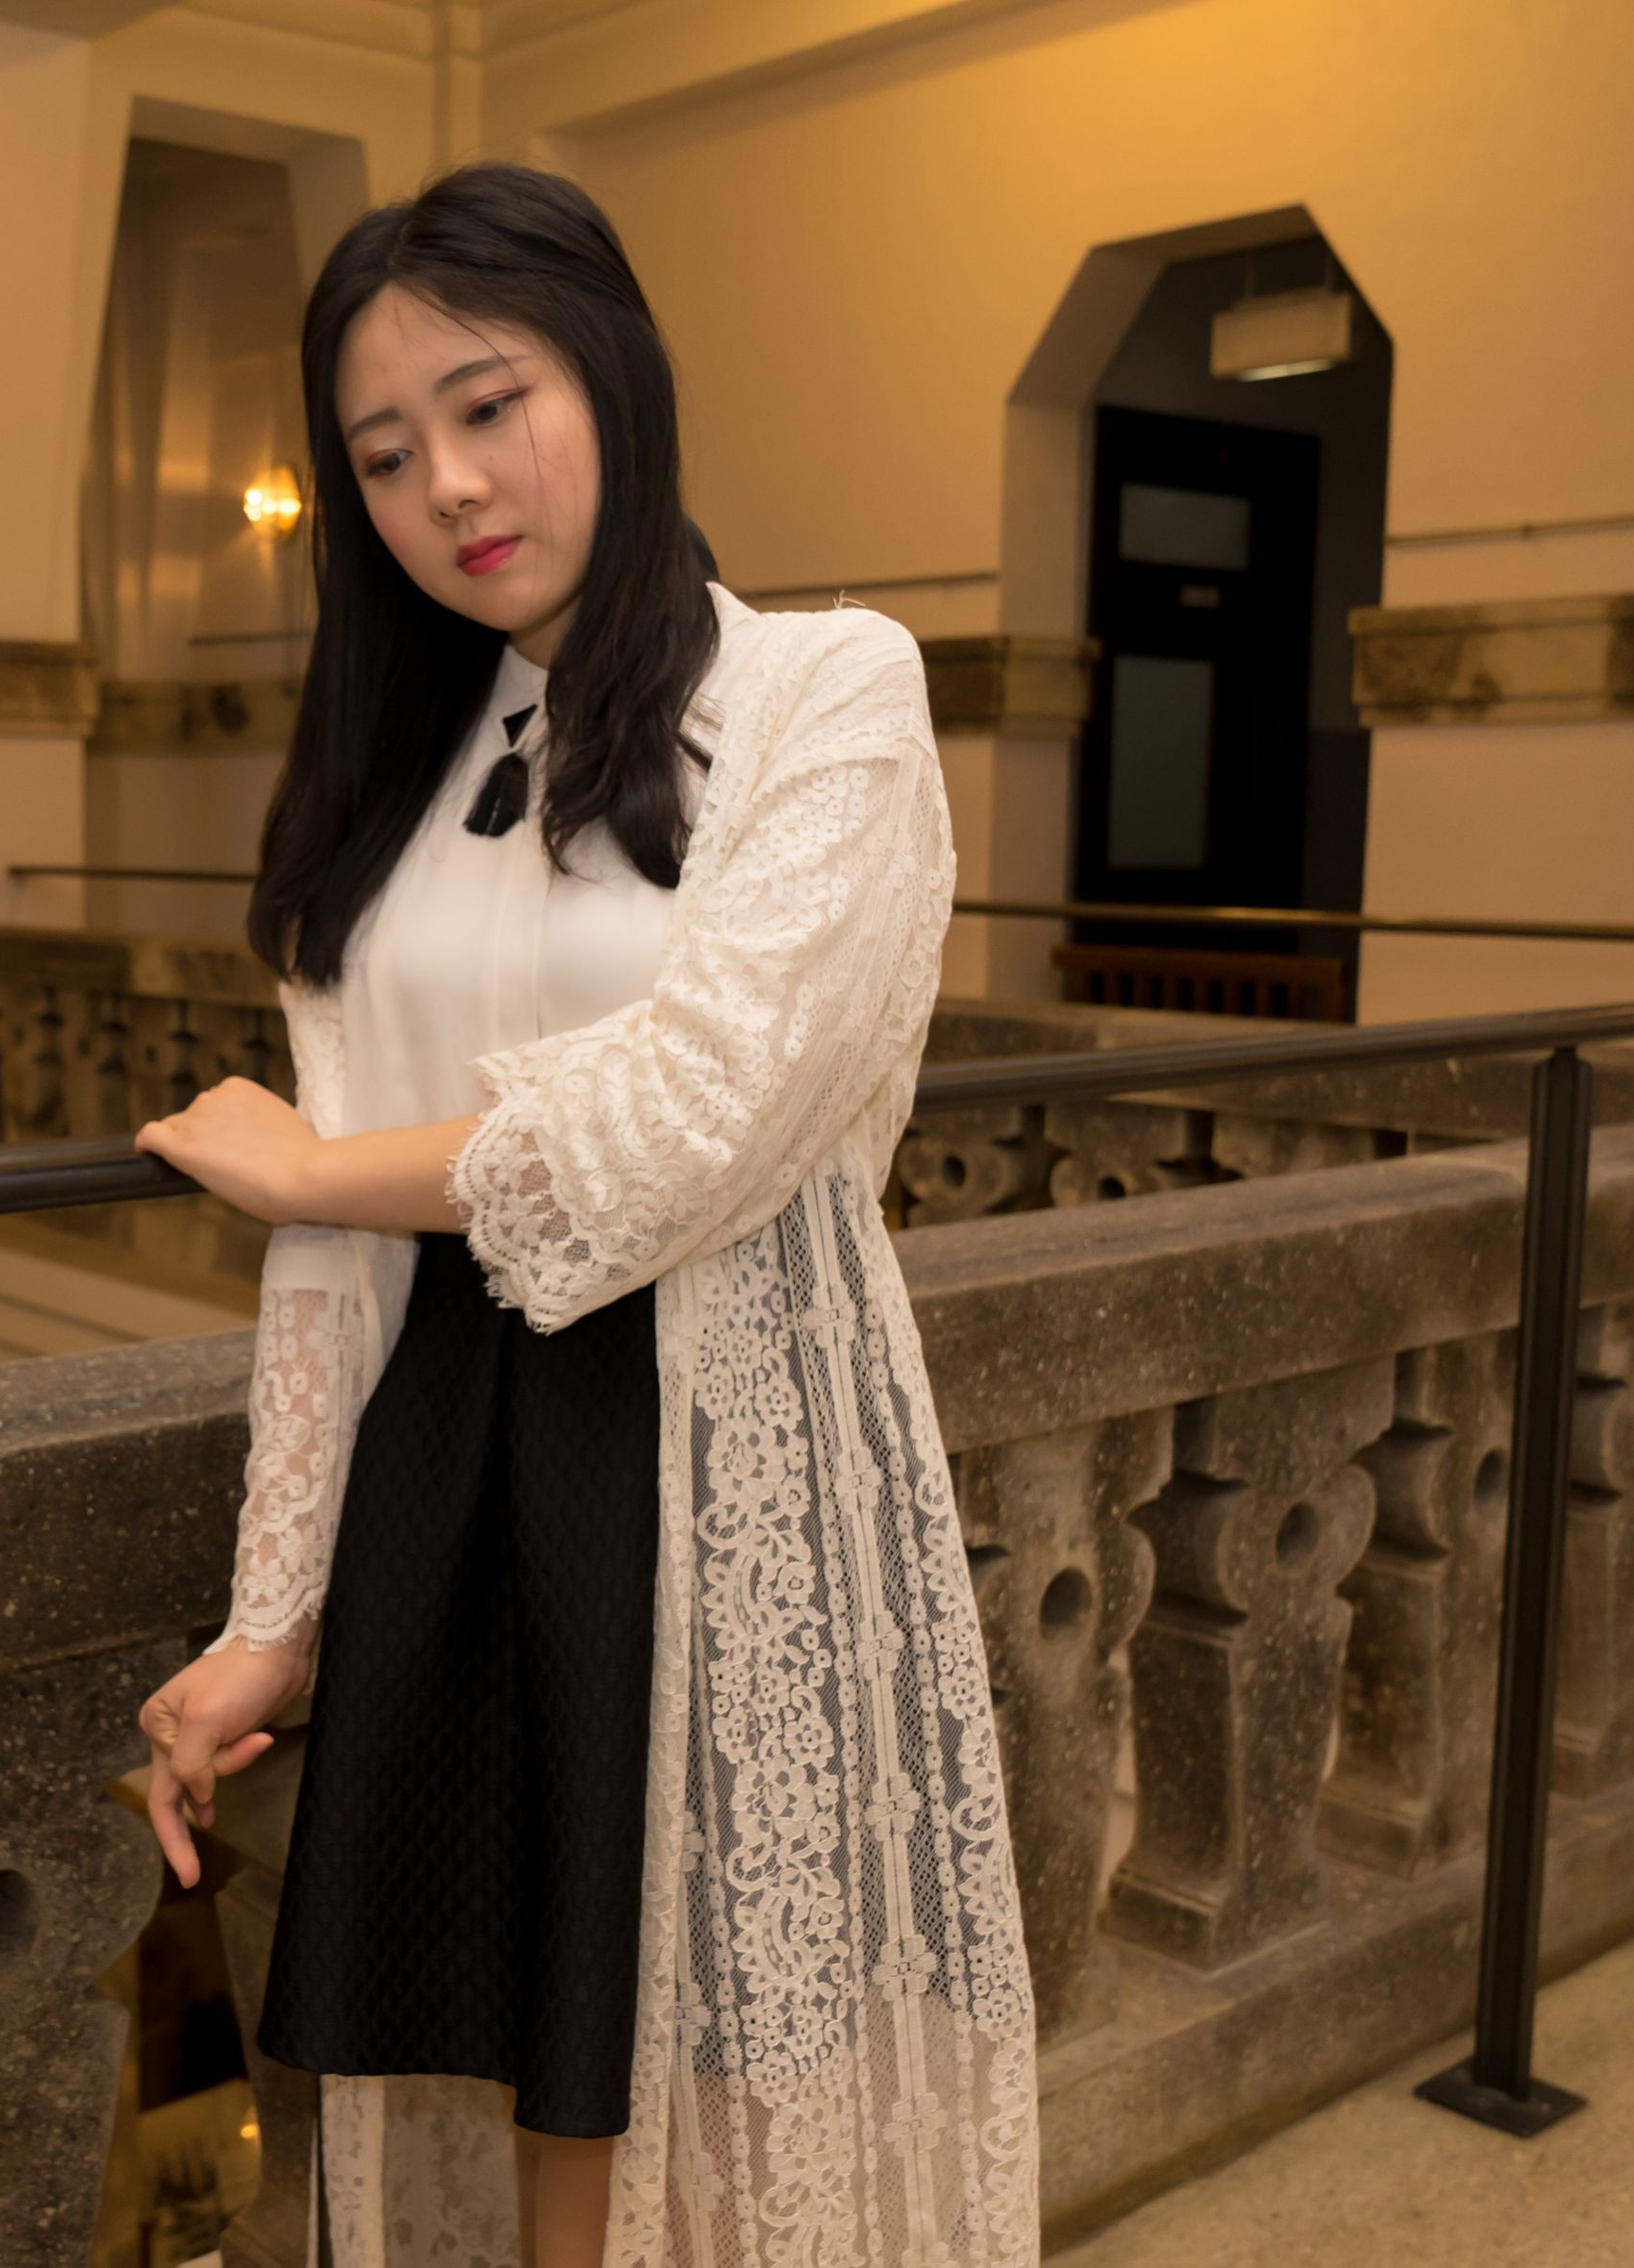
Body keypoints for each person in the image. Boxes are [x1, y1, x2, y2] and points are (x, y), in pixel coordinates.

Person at [130, 162, 1040, 2268]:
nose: (446, 485)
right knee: (540, 2068)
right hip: (457, 1474)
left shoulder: (824, 690)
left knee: (712, 2095)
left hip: (716, 1445)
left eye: (487, 403)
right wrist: (275, 1610)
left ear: (612, 372)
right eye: (382, 454)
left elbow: (695, 1112)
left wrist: (310, 1161)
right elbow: (336, 1273)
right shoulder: (400, 776)